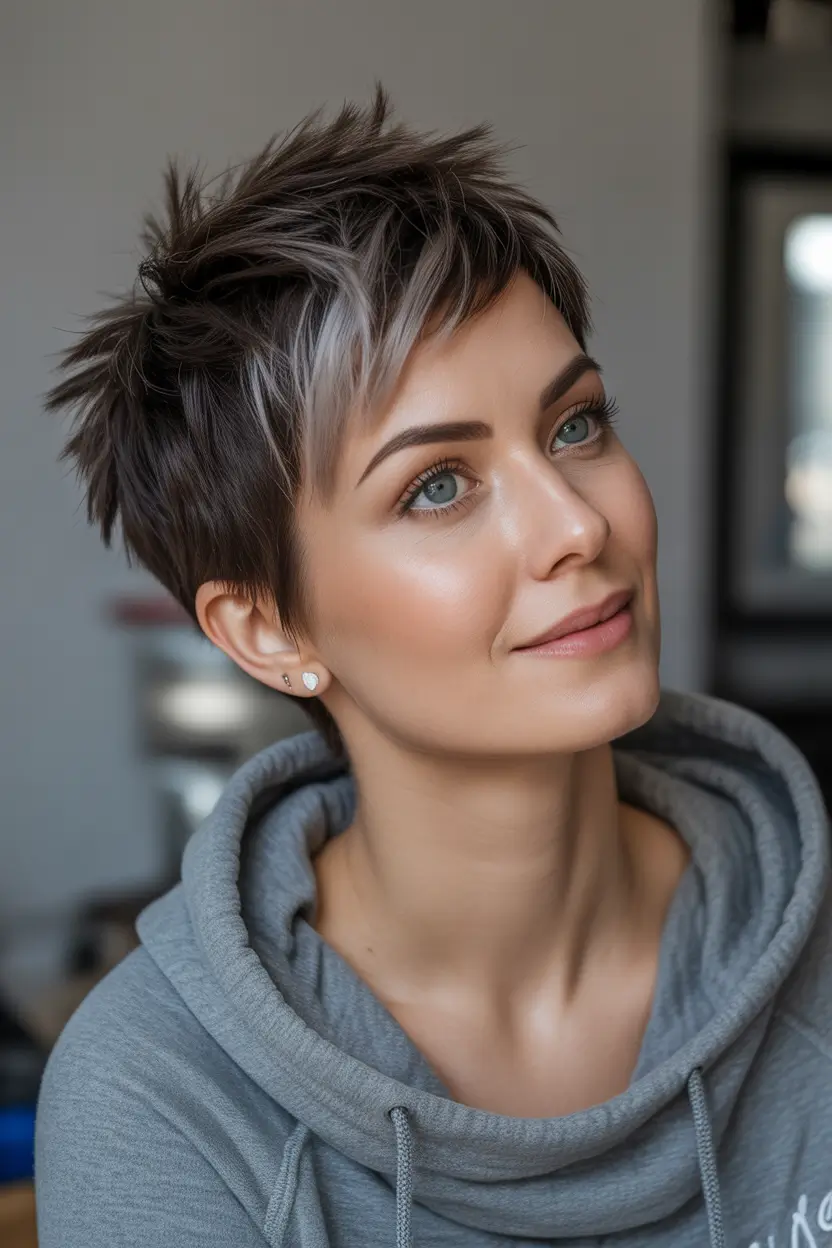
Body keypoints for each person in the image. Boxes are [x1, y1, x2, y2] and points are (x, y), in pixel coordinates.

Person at [34, 89, 832, 1248]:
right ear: (268, 632)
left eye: (575, 426)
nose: (574, 523)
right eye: (437, 486)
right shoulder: (160, 1097)